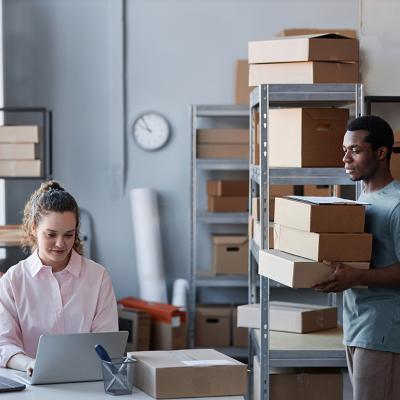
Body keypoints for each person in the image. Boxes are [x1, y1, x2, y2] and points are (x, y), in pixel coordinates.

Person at [313, 115, 400, 400]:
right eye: (344, 150)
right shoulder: (358, 201)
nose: (346, 159)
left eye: (356, 150)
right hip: (356, 325)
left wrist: (356, 276)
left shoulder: (396, 205)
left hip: (384, 332)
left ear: (382, 152)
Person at [0, 181, 118, 376]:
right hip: (29, 385)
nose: (60, 243)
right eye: (51, 234)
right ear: (33, 228)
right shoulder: (13, 281)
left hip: (86, 381)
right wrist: (30, 364)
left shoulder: (98, 278)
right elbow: (3, 344)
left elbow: (107, 341)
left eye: (69, 235)